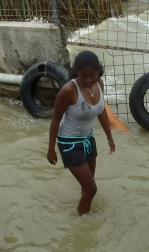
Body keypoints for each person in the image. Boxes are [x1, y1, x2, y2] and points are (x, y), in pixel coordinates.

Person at [47, 50, 115, 215]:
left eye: (92, 75)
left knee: (87, 186)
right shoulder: (69, 90)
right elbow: (56, 119)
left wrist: (110, 137)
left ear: (98, 71)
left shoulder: (99, 84)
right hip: (69, 143)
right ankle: (81, 224)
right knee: (91, 188)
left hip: (88, 139)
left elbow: (101, 112)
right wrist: (51, 149)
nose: (88, 80)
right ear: (76, 72)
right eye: (83, 76)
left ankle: (84, 214)